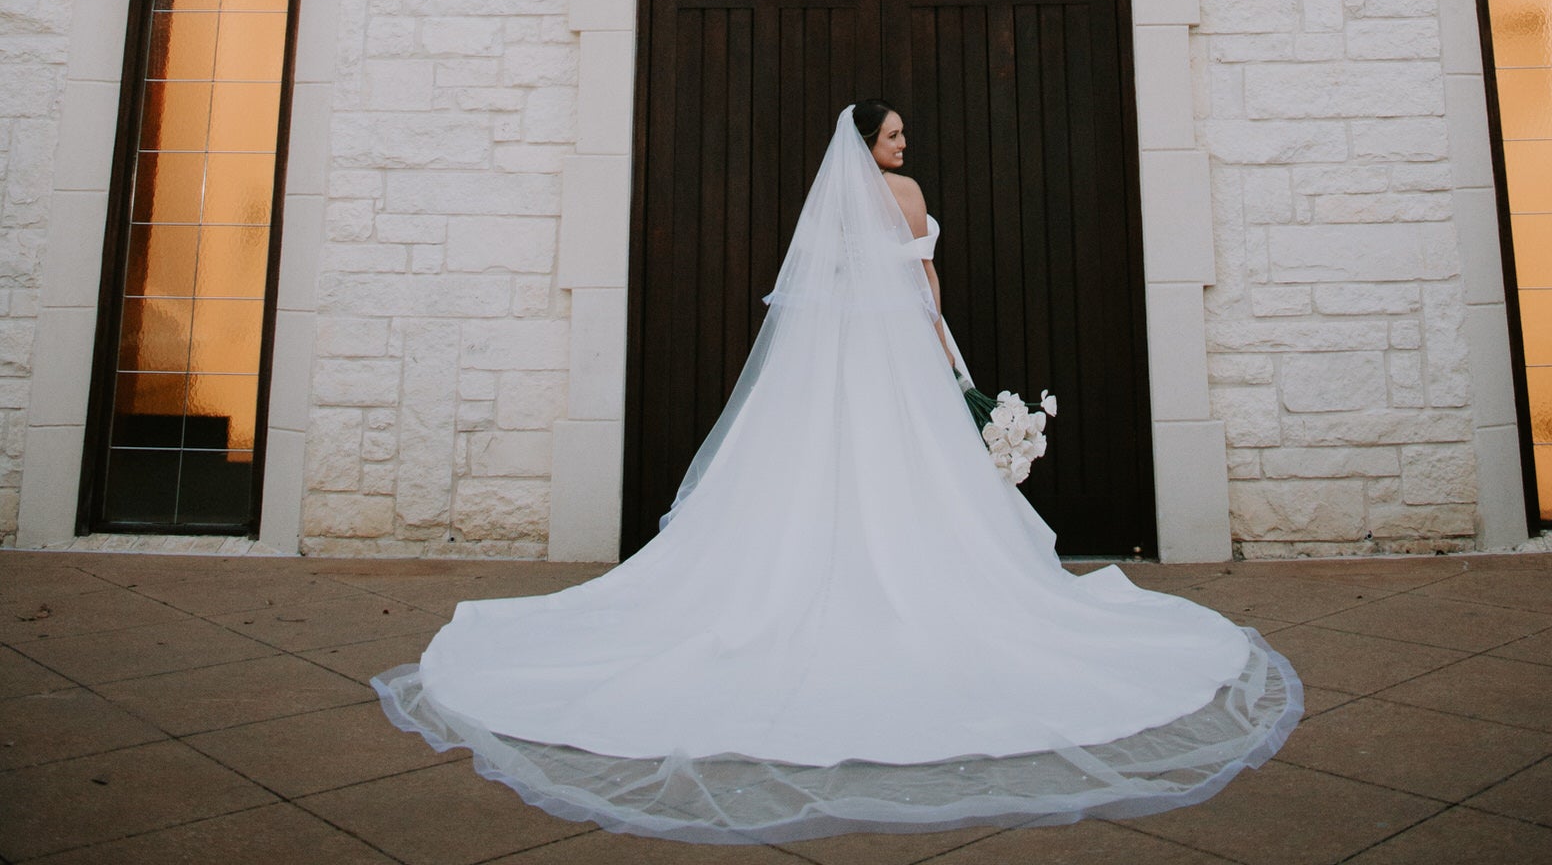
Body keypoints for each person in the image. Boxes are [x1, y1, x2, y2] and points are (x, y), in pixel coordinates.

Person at [375, 102, 1300, 841]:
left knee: (816, 466)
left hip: (845, 353)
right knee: (912, 474)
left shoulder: (840, 210)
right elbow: (925, 285)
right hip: (901, 352)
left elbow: (822, 289)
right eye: (894, 134)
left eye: (902, 136)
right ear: (871, 147)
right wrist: (944, 351)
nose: (905, 143)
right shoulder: (906, 196)